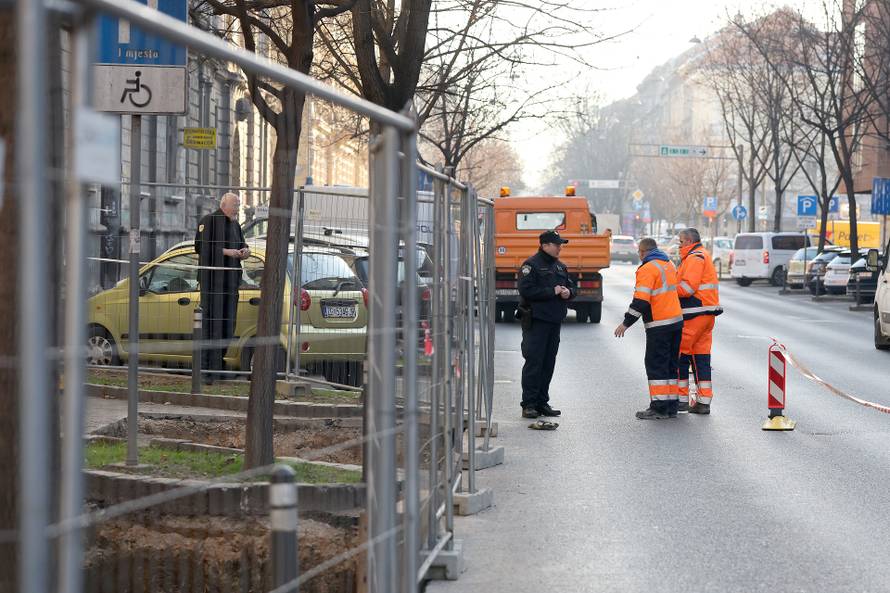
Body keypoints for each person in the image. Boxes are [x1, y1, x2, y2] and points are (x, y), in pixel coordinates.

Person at [614, 237, 684, 419]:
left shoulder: (647, 269)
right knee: (670, 365)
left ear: (643, 251)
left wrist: (626, 323)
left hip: (659, 324)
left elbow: (641, 301)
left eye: (639, 252)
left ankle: (659, 408)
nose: (638, 255)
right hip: (675, 321)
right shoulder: (668, 264)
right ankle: (671, 406)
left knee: (656, 365)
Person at [517, 230, 576, 419]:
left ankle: (542, 402)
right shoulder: (531, 265)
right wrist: (552, 291)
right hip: (536, 321)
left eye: (560, 244)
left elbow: (572, 287)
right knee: (534, 362)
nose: (560, 247)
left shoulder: (560, 267)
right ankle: (529, 404)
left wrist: (569, 292)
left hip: (554, 321)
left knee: (548, 363)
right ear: (545, 245)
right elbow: (526, 290)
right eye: (556, 244)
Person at [195, 193, 249, 383]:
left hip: (231, 283)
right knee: (211, 326)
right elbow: (202, 247)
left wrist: (245, 252)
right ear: (224, 204)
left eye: (239, 205)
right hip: (212, 285)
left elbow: (243, 244)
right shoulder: (209, 221)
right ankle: (205, 370)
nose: (237, 209)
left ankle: (218, 366)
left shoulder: (235, 225)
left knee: (227, 326)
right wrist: (228, 252)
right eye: (235, 205)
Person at [675, 228, 722, 414]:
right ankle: (703, 401)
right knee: (701, 357)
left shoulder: (694, 257)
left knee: (681, 355)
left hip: (694, 313)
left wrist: (670, 290)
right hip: (706, 314)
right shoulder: (702, 254)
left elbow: (687, 288)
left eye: (680, 242)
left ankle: (681, 400)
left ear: (688, 241)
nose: (679, 245)